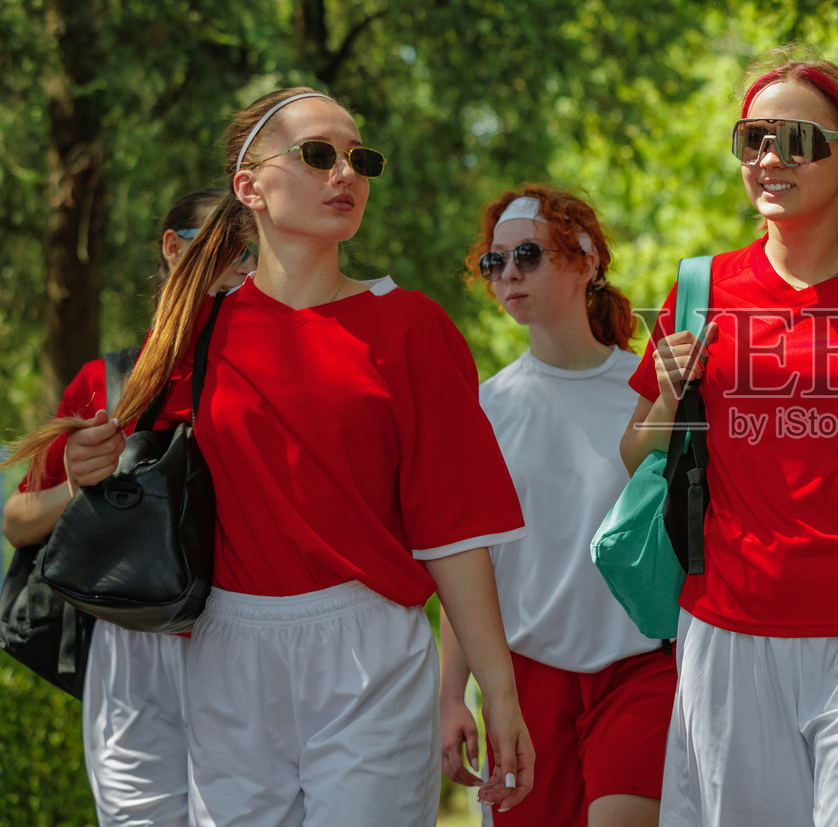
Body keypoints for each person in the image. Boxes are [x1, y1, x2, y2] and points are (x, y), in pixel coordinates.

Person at [4, 87, 537, 826]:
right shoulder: (194, 337)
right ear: (249, 188)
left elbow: (452, 533)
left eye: (360, 158)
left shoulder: (411, 326)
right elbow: (107, 481)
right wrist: (89, 470)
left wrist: (497, 691)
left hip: (371, 653)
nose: (345, 173)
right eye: (318, 154)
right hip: (225, 648)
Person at [618, 49, 838, 826]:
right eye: (754, 139)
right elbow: (632, 454)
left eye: (799, 140)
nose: (771, 158)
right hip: (731, 633)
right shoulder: (700, 289)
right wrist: (671, 397)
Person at [2, 187, 255, 827]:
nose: (242, 269)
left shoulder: (267, 380)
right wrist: (84, 486)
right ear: (173, 249)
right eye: (226, 249)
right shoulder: (109, 381)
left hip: (243, 635)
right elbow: (18, 520)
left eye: (254, 254)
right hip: (129, 639)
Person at [440, 185, 677, 826]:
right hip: (524, 682)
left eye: (527, 255)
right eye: (495, 262)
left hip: (643, 669)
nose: (508, 272)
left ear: (587, 260)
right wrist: (448, 697)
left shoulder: (650, 393)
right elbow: (467, 567)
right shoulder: (484, 409)